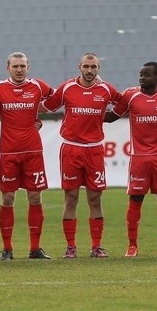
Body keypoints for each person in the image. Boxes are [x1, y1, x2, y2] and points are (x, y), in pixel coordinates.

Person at [42, 52, 120, 259]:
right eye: (86, 66)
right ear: (79, 67)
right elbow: (48, 105)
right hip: (71, 149)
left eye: (93, 67)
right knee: (71, 199)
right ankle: (71, 246)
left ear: (98, 69)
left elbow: (123, 103)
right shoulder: (68, 88)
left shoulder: (106, 89)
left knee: (95, 199)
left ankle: (96, 246)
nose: (89, 71)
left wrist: (110, 117)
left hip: (94, 150)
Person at [104, 62, 157, 258]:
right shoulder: (131, 96)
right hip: (139, 158)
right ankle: (132, 246)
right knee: (135, 200)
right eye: (140, 74)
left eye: (146, 75)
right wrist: (83, 112)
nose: (141, 78)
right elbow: (111, 116)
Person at [0, 52, 54, 260]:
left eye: (22, 66)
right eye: (15, 66)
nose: (19, 70)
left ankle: (35, 248)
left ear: (28, 67)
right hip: (9, 152)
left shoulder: (38, 86)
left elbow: (60, 96)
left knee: (34, 196)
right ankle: (7, 249)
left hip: (33, 151)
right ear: (8, 68)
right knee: (7, 198)